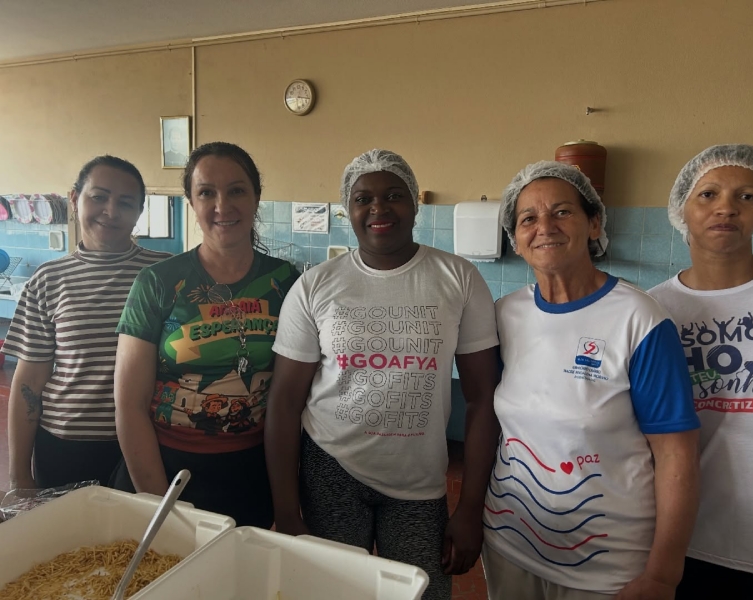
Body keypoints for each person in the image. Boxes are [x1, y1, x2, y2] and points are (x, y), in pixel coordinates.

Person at [266, 149, 500, 599]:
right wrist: (287, 512)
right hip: (331, 469)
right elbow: (285, 401)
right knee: (332, 594)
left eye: (394, 195)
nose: (378, 208)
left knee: (421, 592)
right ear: (348, 209)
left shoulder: (458, 278)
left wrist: (472, 507)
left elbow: (482, 399)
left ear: (414, 203)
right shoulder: (315, 285)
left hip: (419, 480)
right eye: (363, 198)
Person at [482, 161, 701, 600]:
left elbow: (676, 454)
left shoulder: (638, 319)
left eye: (562, 212)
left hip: (606, 565)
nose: (545, 227)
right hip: (509, 545)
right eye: (528, 218)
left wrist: (663, 574)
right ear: (515, 239)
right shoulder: (506, 314)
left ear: (594, 224)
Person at [112, 142, 299, 528]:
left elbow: (291, 399)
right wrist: (157, 507)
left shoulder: (286, 281)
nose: (222, 206)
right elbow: (129, 404)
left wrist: (286, 502)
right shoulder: (157, 282)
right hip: (165, 468)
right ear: (191, 203)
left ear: (256, 197)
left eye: (236, 190)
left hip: (252, 472)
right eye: (206, 192)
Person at [648, 145, 753, 599]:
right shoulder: (653, 309)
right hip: (691, 539)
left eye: (746, 196)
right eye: (708, 194)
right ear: (681, 209)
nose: (727, 208)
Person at [2, 156, 171, 491]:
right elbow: (29, 380)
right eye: (99, 197)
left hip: (152, 442)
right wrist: (19, 475)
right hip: (67, 446)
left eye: (126, 203)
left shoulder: (166, 274)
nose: (111, 211)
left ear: (139, 211)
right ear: (74, 198)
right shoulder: (48, 280)